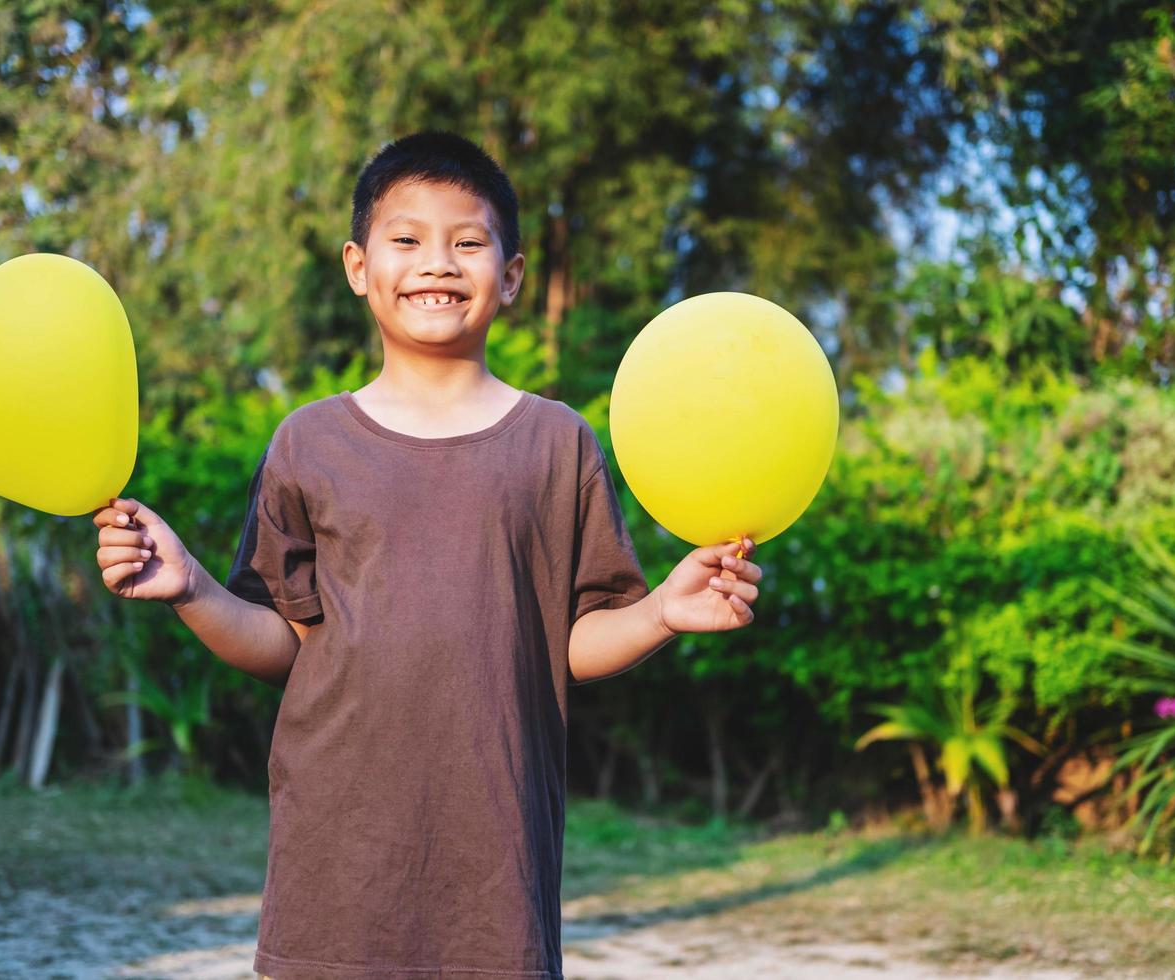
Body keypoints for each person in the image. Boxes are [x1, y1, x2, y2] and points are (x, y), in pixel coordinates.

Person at [90, 130, 764, 980]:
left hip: (495, 873)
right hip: (335, 866)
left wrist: (662, 610)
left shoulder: (557, 444)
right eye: (406, 239)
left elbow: (566, 648)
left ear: (511, 274)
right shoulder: (309, 442)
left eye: (468, 242)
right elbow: (286, 645)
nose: (437, 263)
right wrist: (189, 587)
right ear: (358, 266)